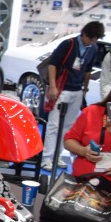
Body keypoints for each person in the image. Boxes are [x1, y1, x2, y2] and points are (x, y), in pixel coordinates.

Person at [41, 21, 106, 171]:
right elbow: (53, 65)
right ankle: (46, 158)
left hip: (77, 91)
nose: (92, 42)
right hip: (61, 89)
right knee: (53, 125)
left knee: (68, 127)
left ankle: (57, 157)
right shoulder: (68, 44)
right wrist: (53, 87)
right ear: (84, 34)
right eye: (91, 39)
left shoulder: (93, 48)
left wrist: (85, 88)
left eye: (95, 40)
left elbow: (88, 70)